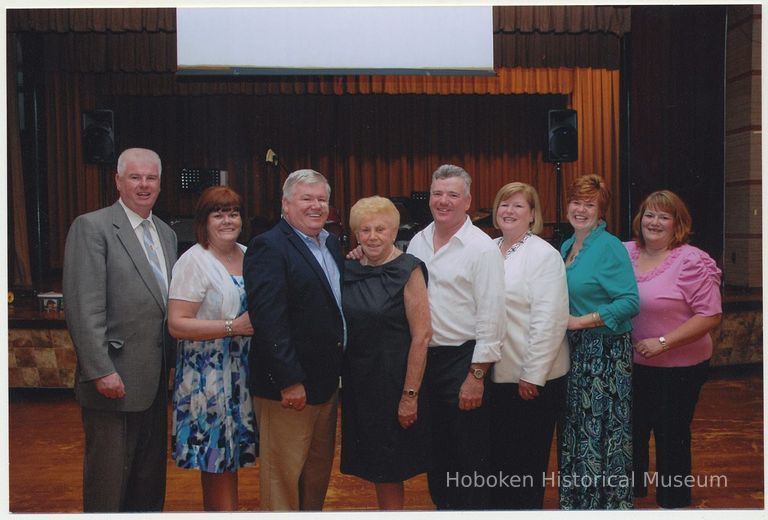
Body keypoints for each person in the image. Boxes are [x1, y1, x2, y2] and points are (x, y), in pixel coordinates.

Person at [63, 147, 177, 512]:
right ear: (117, 181)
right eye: (135, 177)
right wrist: (101, 369)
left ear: (160, 183)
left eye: (151, 178)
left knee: (148, 486)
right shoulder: (92, 227)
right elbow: (84, 307)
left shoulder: (166, 233)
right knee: (108, 486)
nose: (144, 185)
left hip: (155, 382)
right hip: (113, 380)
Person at [244, 169, 345, 511]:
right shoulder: (268, 247)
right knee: (282, 482)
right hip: (288, 390)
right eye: (307, 198)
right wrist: (289, 380)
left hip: (325, 386)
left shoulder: (332, 243)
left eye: (322, 199)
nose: (316, 206)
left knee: (315, 479)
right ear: (286, 204)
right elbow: (269, 320)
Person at [406, 164, 505, 510]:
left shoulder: (481, 248)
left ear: (468, 202)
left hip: (463, 360)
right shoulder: (417, 241)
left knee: (469, 456)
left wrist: (476, 376)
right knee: (436, 454)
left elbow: (492, 317)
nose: (443, 201)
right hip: (425, 362)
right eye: (437, 193)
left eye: (452, 195)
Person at [625, 190, 722, 508]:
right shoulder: (625, 253)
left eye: (663, 216)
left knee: (671, 435)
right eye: (649, 214)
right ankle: (634, 496)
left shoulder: (691, 260)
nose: (654, 222)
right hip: (633, 363)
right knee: (633, 431)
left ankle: (673, 502)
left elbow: (710, 315)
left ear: (677, 224)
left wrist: (664, 342)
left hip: (680, 366)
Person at [167, 186, 258, 511]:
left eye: (233, 213)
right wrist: (233, 327)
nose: (227, 220)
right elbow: (177, 324)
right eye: (217, 214)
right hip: (208, 380)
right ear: (203, 221)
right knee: (216, 463)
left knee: (231, 462)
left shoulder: (251, 254)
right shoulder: (194, 261)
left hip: (243, 377)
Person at [340, 196, 432, 510]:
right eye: (365, 230)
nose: (373, 236)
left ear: (394, 232)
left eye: (381, 229)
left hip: (394, 383)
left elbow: (422, 336)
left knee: (391, 468)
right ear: (356, 235)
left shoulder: (409, 270)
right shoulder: (348, 268)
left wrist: (410, 394)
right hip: (359, 384)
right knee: (377, 468)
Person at [486, 182, 570, 509]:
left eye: (518, 206)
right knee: (499, 459)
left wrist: (533, 374)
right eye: (504, 205)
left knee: (526, 463)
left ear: (533, 214)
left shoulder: (543, 255)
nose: (509, 211)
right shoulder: (488, 247)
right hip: (495, 375)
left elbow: (549, 320)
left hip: (532, 377)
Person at [558, 174, 639, 510]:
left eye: (589, 205)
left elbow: (630, 301)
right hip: (578, 352)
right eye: (576, 202)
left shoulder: (609, 247)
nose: (580, 209)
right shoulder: (568, 245)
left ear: (601, 211)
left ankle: (604, 507)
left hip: (605, 353)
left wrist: (582, 320)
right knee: (579, 430)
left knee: (601, 433)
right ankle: (579, 504)